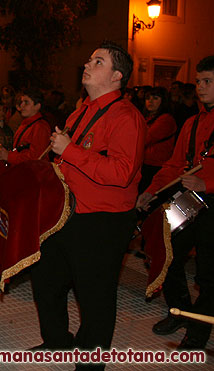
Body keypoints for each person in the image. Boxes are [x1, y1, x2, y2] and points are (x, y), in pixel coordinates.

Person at [31, 41, 146, 367]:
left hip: (101, 221)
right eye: (90, 59)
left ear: (117, 76)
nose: (87, 64)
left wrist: (69, 151)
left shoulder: (127, 117)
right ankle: (57, 342)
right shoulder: (81, 111)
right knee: (46, 282)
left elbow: (122, 174)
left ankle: (89, 362)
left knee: (94, 298)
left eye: (98, 61)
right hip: (67, 213)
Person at [136, 55, 214, 350]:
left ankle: (197, 334)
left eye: (207, 81)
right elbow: (173, 165)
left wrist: (208, 183)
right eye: (198, 81)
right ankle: (180, 310)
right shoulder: (192, 122)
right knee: (162, 248)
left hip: (213, 203)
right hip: (188, 199)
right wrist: (151, 191)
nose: (200, 87)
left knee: (209, 274)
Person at [138, 87, 177, 192]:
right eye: (148, 98)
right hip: (145, 163)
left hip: (157, 167)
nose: (150, 101)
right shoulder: (147, 117)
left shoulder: (166, 120)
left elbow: (146, 138)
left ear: (163, 101)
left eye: (155, 98)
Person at [0, 88, 51, 164]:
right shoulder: (27, 123)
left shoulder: (40, 127)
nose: (21, 105)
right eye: (21, 102)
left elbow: (36, 158)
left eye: (26, 102)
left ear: (37, 106)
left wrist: (9, 157)